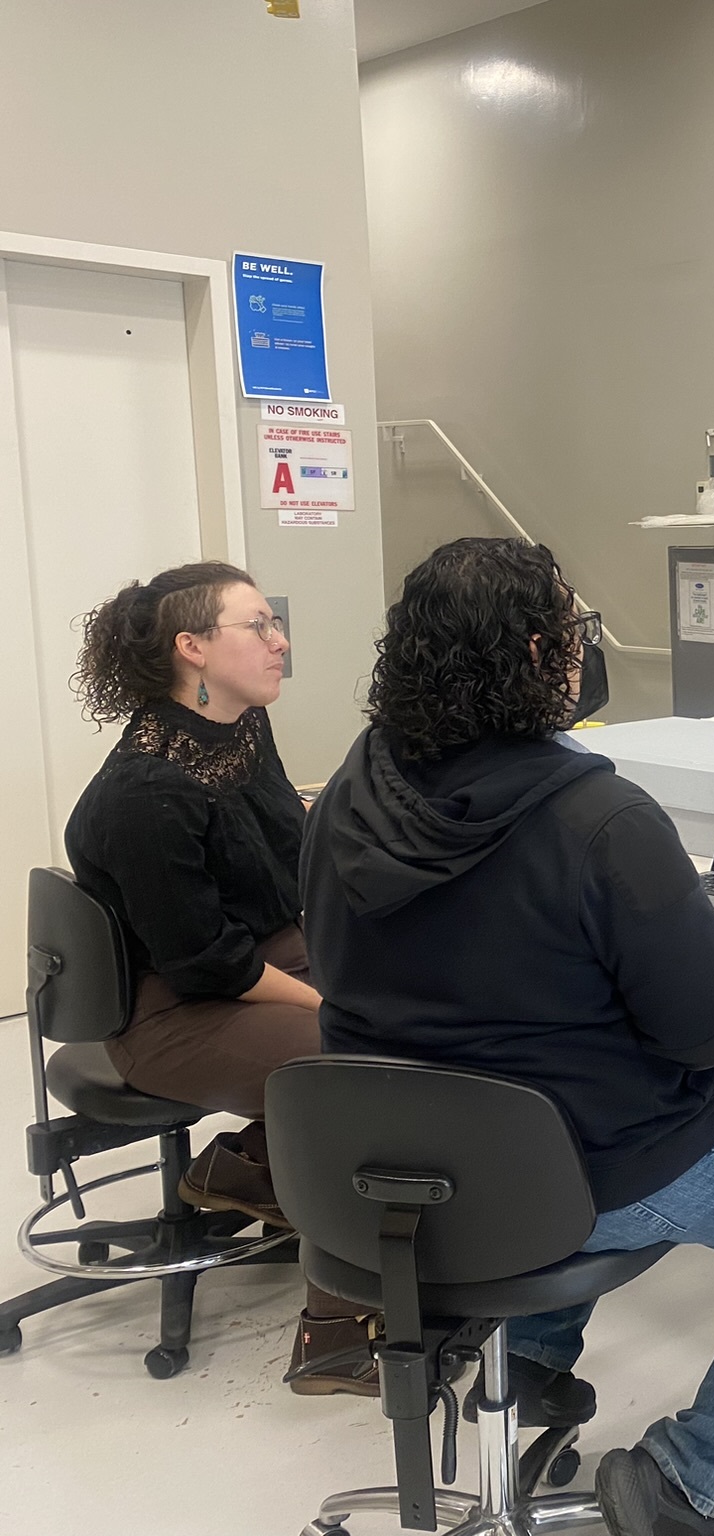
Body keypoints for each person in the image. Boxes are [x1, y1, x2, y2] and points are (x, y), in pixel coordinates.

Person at [299, 537, 714, 1536]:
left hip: (392, 1166)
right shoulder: (601, 818)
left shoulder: (350, 789)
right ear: (537, 652)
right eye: (574, 630)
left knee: (531, 1106)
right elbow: (707, 1029)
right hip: (578, 1171)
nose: (584, 646)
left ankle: (522, 1366)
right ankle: (692, 1480)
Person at [63, 564, 375, 1393]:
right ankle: (336, 1338)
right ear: (192, 648)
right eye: (259, 627)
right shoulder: (148, 790)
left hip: (262, 957)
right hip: (176, 1012)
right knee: (358, 1063)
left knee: (436, 997)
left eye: (276, 623)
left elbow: (284, 838)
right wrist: (328, 1000)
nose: (281, 643)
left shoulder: (238, 727)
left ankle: (249, 1165)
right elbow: (208, 961)